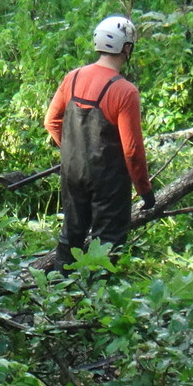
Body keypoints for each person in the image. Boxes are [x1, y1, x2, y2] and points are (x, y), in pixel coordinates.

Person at [44, 15, 154, 264]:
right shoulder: (125, 91)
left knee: (71, 234)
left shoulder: (72, 77)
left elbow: (51, 121)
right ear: (126, 48)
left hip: (72, 170)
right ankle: (97, 297)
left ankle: (59, 294)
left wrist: (74, 149)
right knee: (107, 242)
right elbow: (132, 151)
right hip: (109, 181)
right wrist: (144, 190)